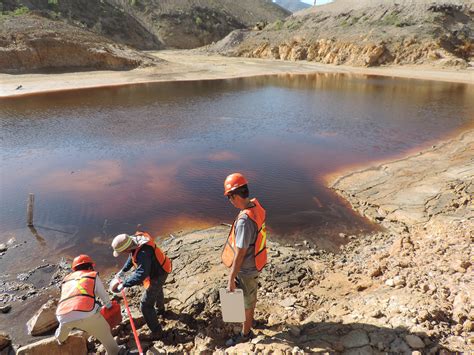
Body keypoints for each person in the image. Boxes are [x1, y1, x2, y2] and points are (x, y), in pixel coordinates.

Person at [221, 172, 267, 346]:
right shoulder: (255, 205)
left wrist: (231, 278)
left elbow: (240, 254)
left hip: (247, 269)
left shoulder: (244, 221)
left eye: (229, 197)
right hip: (255, 263)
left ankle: (246, 334)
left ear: (234, 196)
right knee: (248, 297)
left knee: (247, 302)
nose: (230, 201)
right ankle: (248, 322)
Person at [111, 230, 171, 338]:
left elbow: (141, 273)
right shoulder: (135, 241)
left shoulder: (144, 252)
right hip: (159, 268)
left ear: (126, 248)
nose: (123, 254)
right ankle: (161, 310)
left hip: (159, 273)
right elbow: (132, 256)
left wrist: (125, 284)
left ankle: (157, 332)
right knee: (157, 290)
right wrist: (123, 270)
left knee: (145, 305)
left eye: (122, 251)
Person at [55, 254, 120, 355]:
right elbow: (104, 296)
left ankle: (60, 339)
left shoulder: (67, 279)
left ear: (74, 269)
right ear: (90, 267)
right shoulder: (92, 275)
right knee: (105, 334)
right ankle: (115, 352)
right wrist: (109, 307)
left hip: (62, 315)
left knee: (64, 328)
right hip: (85, 313)